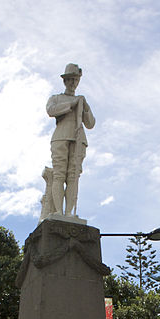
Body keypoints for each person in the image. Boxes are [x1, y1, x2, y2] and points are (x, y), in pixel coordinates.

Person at [46, 63, 95, 217]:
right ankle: (59, 211)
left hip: (78, 138)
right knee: (59, 174)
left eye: (75, 79)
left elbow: (90, 124)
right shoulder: (56, 98)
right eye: (70, 79)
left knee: (73, 176)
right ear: (65, 81)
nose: (73, 83)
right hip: (60, 137)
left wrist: (85, 107)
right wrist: (71, 104)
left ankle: (69, 213)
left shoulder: (81, 101)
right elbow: (51, 110)